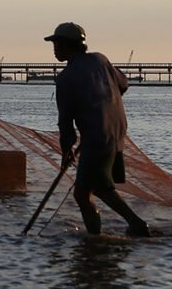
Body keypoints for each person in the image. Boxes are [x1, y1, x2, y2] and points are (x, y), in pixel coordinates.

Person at [46, 22, 151, 237]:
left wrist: (66, 150)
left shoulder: (66, 78)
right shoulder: (100, 60)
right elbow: (123, 84)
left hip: (97, 137)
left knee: (97, 189)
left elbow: (65, 122)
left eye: (57, 43)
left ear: (68, 45)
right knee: (85, 191)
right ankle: (96, 241)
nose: (54, 48)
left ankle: (133, 225)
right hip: (116, 131)